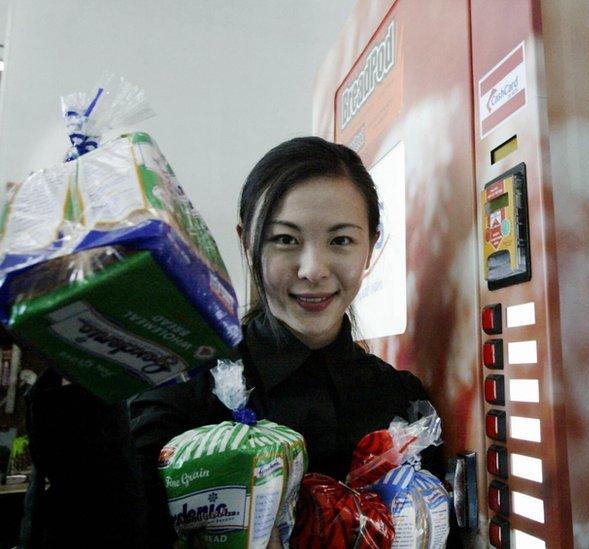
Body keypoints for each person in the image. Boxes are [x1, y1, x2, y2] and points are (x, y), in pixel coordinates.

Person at [20, 137, 442, 547]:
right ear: (247, 242)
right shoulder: (186, 385)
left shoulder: (403, 406)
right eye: (285, 239)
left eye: (341, 240)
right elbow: (108, 526)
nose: (313, 269)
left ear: (371, 246)